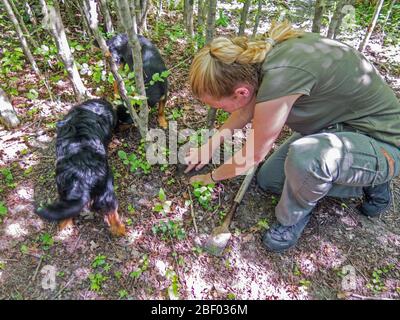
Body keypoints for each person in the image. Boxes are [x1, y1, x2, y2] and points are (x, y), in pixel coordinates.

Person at [184, 21, 400, 252]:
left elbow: (252, 156)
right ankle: (348, 181)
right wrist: (210, 145)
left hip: (382, 143)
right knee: (269, 180)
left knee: (306, 159)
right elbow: (245, 109)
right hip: (335, 129)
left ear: (241, 92)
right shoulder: (256, 63)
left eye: (219, 106)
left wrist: (212, 178)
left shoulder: (281, 77)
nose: (223, 111)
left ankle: (293, 219)